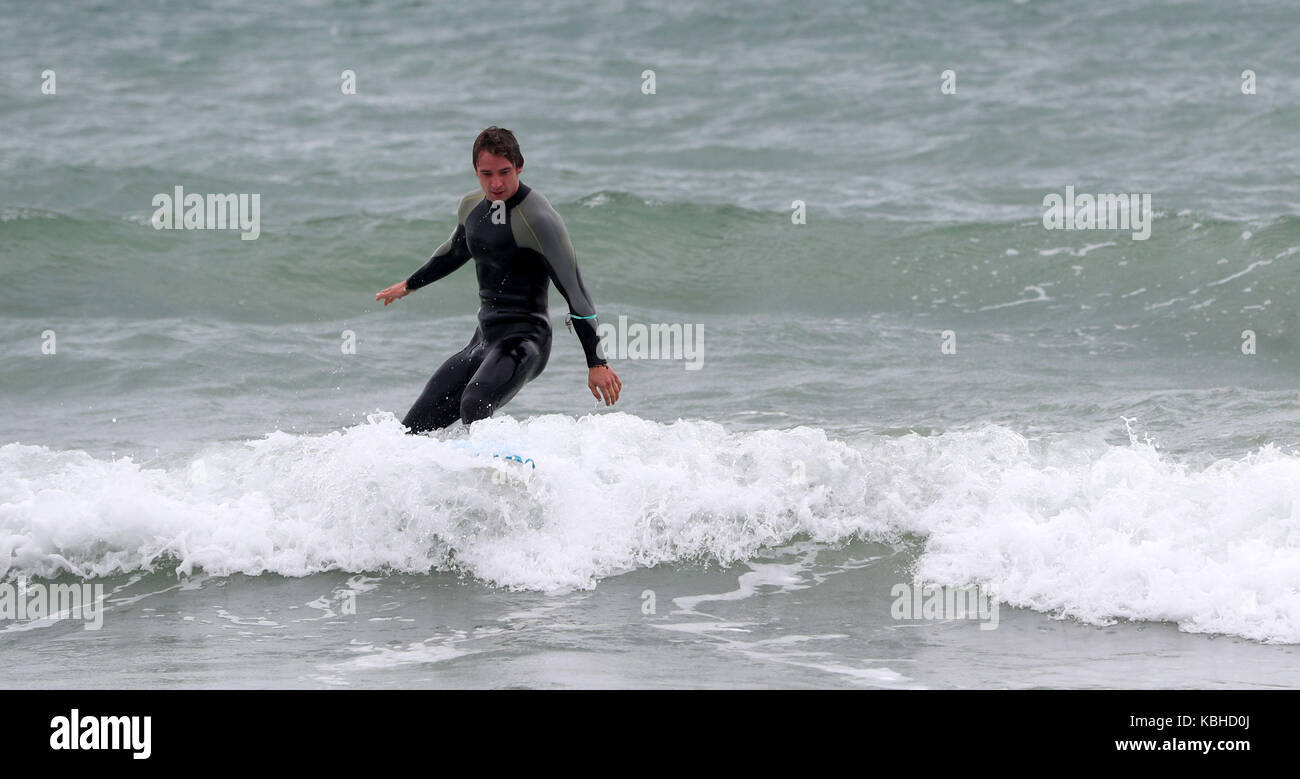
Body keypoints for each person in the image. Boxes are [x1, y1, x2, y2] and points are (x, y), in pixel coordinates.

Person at [376, 126, 622, 433]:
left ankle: (506, 474)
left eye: (505, 172)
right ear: (476, 172)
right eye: (486, 174)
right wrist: (410, 284)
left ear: (520, 166)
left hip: (525, 340)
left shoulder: (538, 219)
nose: (496, 183)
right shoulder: (471, 207)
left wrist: (596, 362)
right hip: (482, 340)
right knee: (413, 428)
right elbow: (454, 251)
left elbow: (575, 290)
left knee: (474, 403)